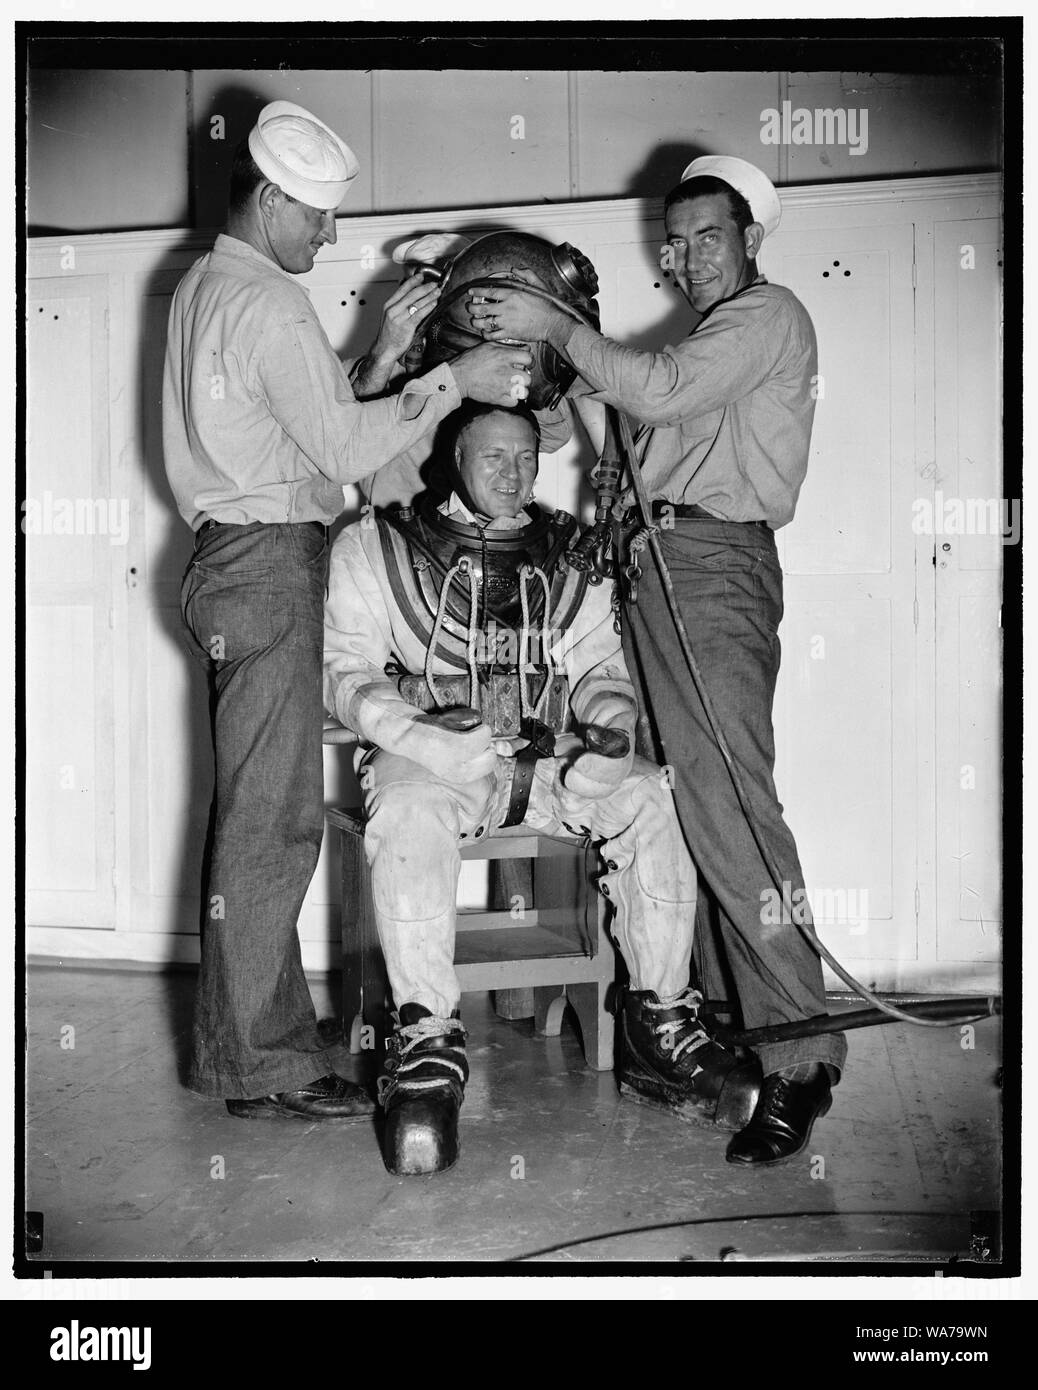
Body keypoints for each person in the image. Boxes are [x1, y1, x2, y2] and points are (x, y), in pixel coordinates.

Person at [465, 155, 847, 1167]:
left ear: (750, 239)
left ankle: (801, 1056)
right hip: (652, 571)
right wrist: (551, 398)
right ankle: (717, 1023)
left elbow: (653, 387)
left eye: (705, 235)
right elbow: (627, 418)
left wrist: (559, 331)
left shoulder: (768, 319)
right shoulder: (698, 340)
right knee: (673, 801)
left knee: (730, 806)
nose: (684, 255)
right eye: (673, 242)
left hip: (712, 571)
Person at [163, 100, 533, 1121]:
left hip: (236, 560)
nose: (329, 237)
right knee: (270, 823)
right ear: (273, 197)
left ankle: (267, 1038)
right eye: (318, 217)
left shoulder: (208, 286)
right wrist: (454, 375)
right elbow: (339, 452)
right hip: (269, 562)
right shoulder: (270, 302)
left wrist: (380, 355)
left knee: (260, 813)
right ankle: (261, 1063)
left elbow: (304, 426)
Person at [323, 401, 761, 1174]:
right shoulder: (378, 546)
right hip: (435, 759)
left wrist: (611, 727)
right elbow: (342, 673)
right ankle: (425, 1043)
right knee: (410, 807)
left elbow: (600, 668)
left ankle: (657, 1026)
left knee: (653, 798)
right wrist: (422, 737)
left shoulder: (569, 553)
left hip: (550, 760)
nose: (512, 471)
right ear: (455, 459)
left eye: (525, 457)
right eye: (493, 456)